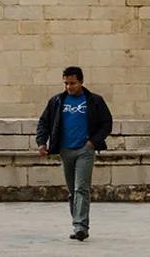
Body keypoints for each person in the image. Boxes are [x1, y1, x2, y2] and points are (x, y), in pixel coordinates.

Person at [36, 66, 113, 241]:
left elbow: (106, 123)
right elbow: (44, 122)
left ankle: (81, 226)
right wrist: (41, 142)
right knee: (72, 190)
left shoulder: (94, 101)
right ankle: (76, 221)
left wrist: (92, 142)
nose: (69, 87)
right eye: (66, 83)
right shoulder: (57, 101)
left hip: (85, 150)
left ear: (81, 82)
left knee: (81, 188)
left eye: (73, 83)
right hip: (65, 150)